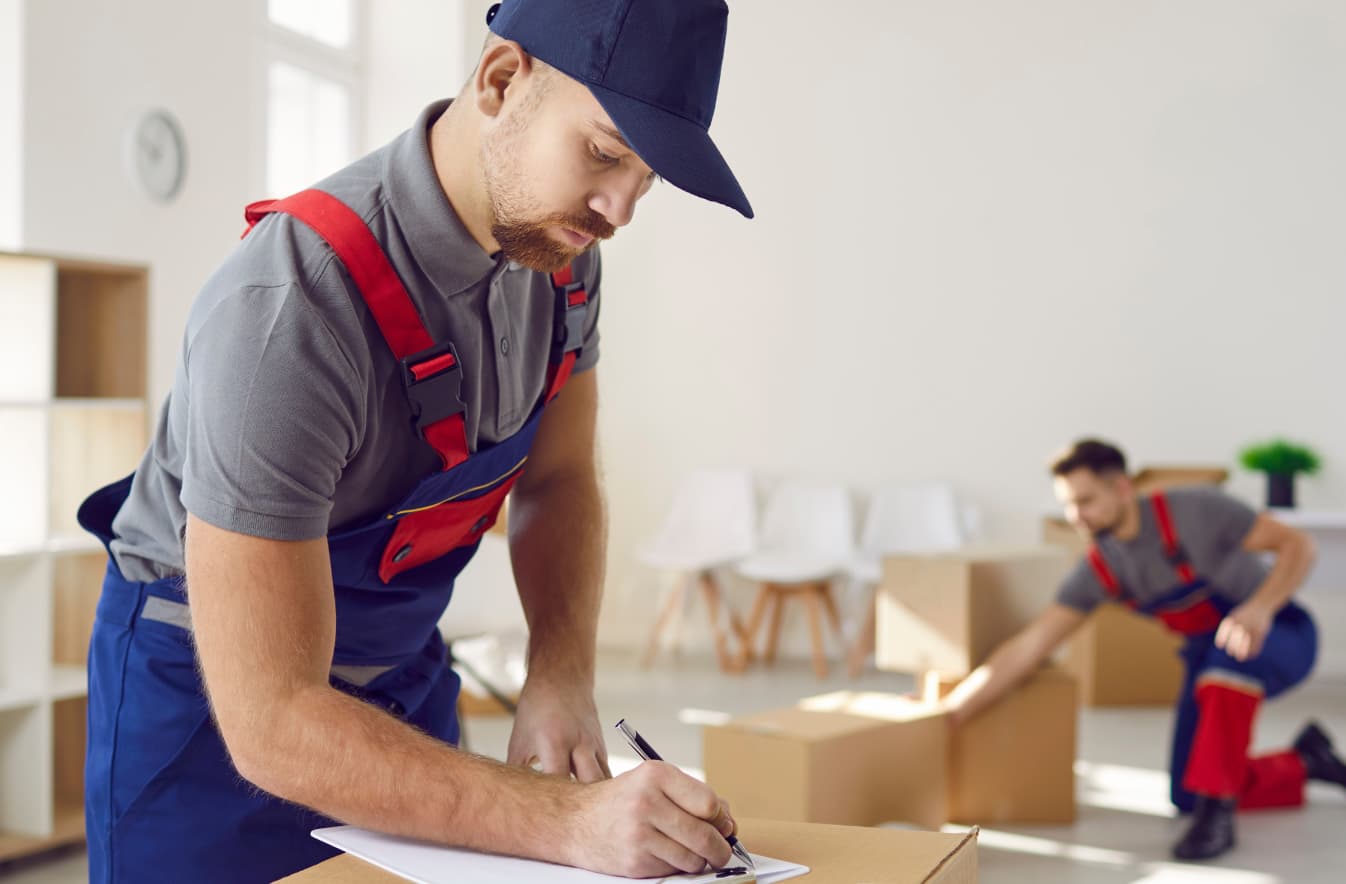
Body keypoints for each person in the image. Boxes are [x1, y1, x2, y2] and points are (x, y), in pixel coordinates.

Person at [76, 1, 754, 881]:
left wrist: (558, 673)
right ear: (501, 80)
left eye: (647, 175)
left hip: (398, 692)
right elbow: (274, 719)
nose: (620, 207)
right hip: (209, 726)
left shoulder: (563, 261)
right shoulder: (291, 309)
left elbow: (558, 482)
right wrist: (570, 821)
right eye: (602, 152)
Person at [940, 439, 1346, 861]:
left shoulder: (1197, 511)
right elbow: (1031, 644)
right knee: (1187, 792)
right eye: (1068, 504)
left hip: (1282, 633)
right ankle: (1306, 762)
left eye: (1086, 501)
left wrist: (1260, 608)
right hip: (1208, 657)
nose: (1076, 516)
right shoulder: (1099, 570)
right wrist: (949, 714)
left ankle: (1218, 818)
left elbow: (1299, 545)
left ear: (1122, 488)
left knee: (1227, 669)